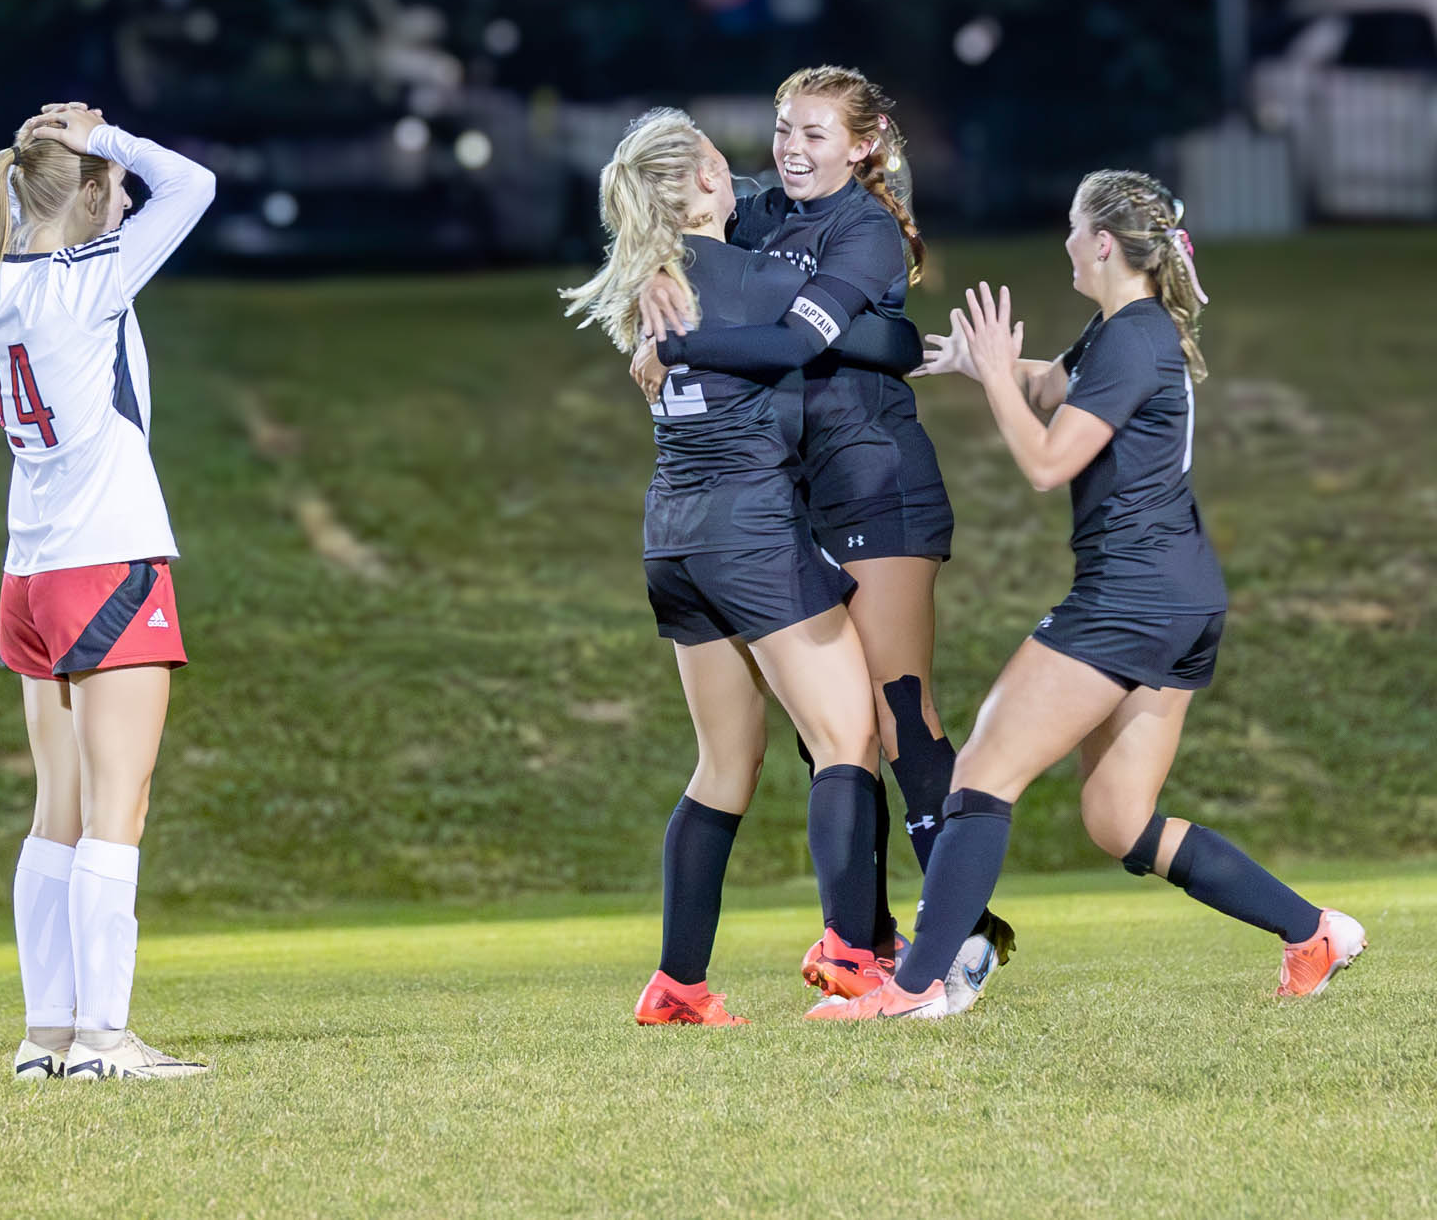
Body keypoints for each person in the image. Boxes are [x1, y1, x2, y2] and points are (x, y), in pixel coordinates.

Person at [812, 170, 1366, 1021]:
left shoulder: (1134, 336)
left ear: (1102, 242)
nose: (1065, 242)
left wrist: (998, 375)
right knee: (1119, 821)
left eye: (1074, 228)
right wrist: (979, 364)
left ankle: (916, 988)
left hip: (1131, 598)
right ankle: (1314, 932)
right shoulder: (1124, 333)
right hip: (1180, 599)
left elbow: (1046, 463)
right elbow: (1055, 387)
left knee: (982, 776)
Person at [631, 66, 1013, 1010]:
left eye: (813, 133)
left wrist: (884, 338)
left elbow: (842, 340)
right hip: (789, 498)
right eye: (782, 130)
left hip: (875, 486)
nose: (791, 150)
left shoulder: (865, 226)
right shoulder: (759, 213)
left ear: (864, 145)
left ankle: (955, 932)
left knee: (893, 713)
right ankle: (870, 937)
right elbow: (691, 232)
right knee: (828, 735)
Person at [563, 108, 890, 1024]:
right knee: (847, 737)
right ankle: (853, 954)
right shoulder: (753, 277)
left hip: (673, 537)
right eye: (721, 160)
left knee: (723, 767)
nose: (744, 170)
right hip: (750, 529)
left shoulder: (648, 285)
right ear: (707, 181)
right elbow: (840, 339)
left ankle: (677, 984)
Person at [0, 101, 216, 1077]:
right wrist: (109, 138)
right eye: (111, 184)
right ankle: (104, 1040)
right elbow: (193, 187)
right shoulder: (87, 284)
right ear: (97, 196)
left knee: (56, 805)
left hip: (29, 571)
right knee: (119, 806)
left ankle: (47, 1037)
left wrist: (82, 168)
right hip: (106, 560)